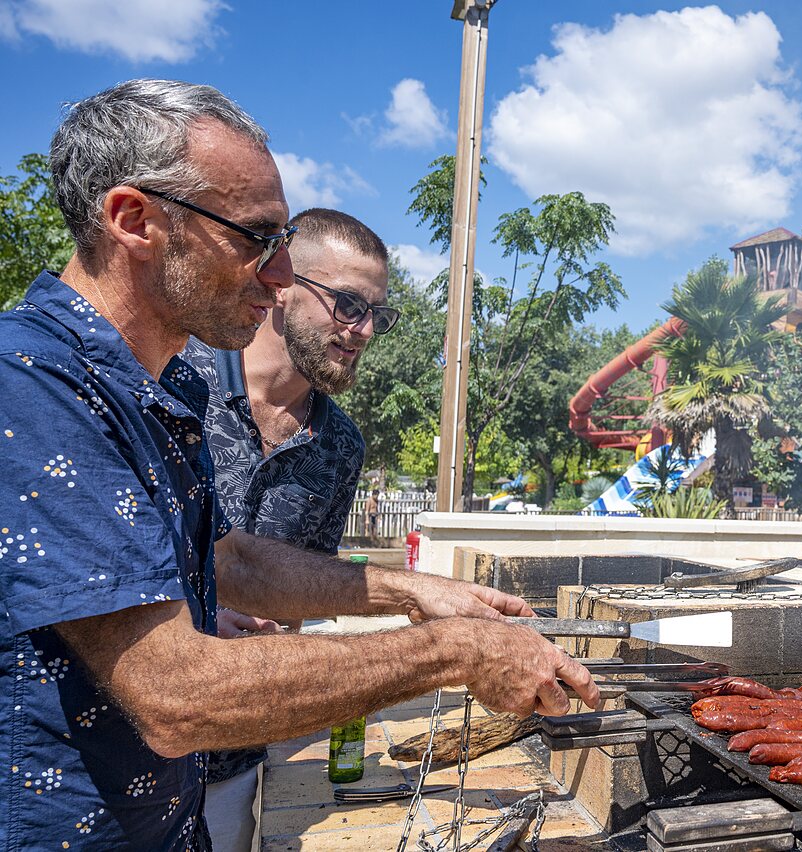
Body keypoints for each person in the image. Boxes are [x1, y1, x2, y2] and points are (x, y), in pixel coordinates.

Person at [0, 79, 597, 851]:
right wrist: (453, 652)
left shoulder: (164, 380)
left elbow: (228, 557)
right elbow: (173, 693)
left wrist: (416, 592)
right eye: (255, 238)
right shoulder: (33, 385)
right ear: (134, 220)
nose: (279, 278)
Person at [181, 208, 398, 851]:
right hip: (118, 753)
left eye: (376, 316)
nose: (361, 332)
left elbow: (305, 592)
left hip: (239, 763)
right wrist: (197, 614)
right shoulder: (169, 379)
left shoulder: (341, 445)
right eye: (348, 305)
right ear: (281, 283)